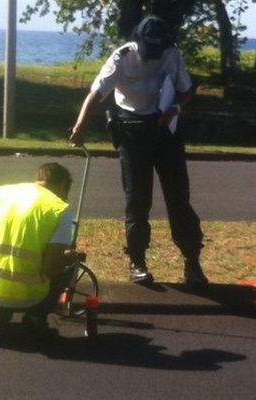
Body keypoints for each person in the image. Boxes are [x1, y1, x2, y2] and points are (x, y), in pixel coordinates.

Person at [69, 15, 208, 290]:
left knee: (179, 198)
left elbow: (185, 90)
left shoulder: (172, 54)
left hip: (166, 130)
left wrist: (174, 110)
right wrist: (80, 126)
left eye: (156, 51)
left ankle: (192, 261)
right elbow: (96, 93)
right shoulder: (121, 57)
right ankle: (137, 261)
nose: (151, 57)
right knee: (137, 200)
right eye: (147, 50)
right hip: (133, 130)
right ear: (138, 40)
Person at [0, 162, 82, 346]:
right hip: (30, 294)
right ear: (62, 185)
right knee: (71, 262)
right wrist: (69, 256)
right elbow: (51, 267)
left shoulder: (1, 193)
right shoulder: (59, 208)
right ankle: (35, 319)